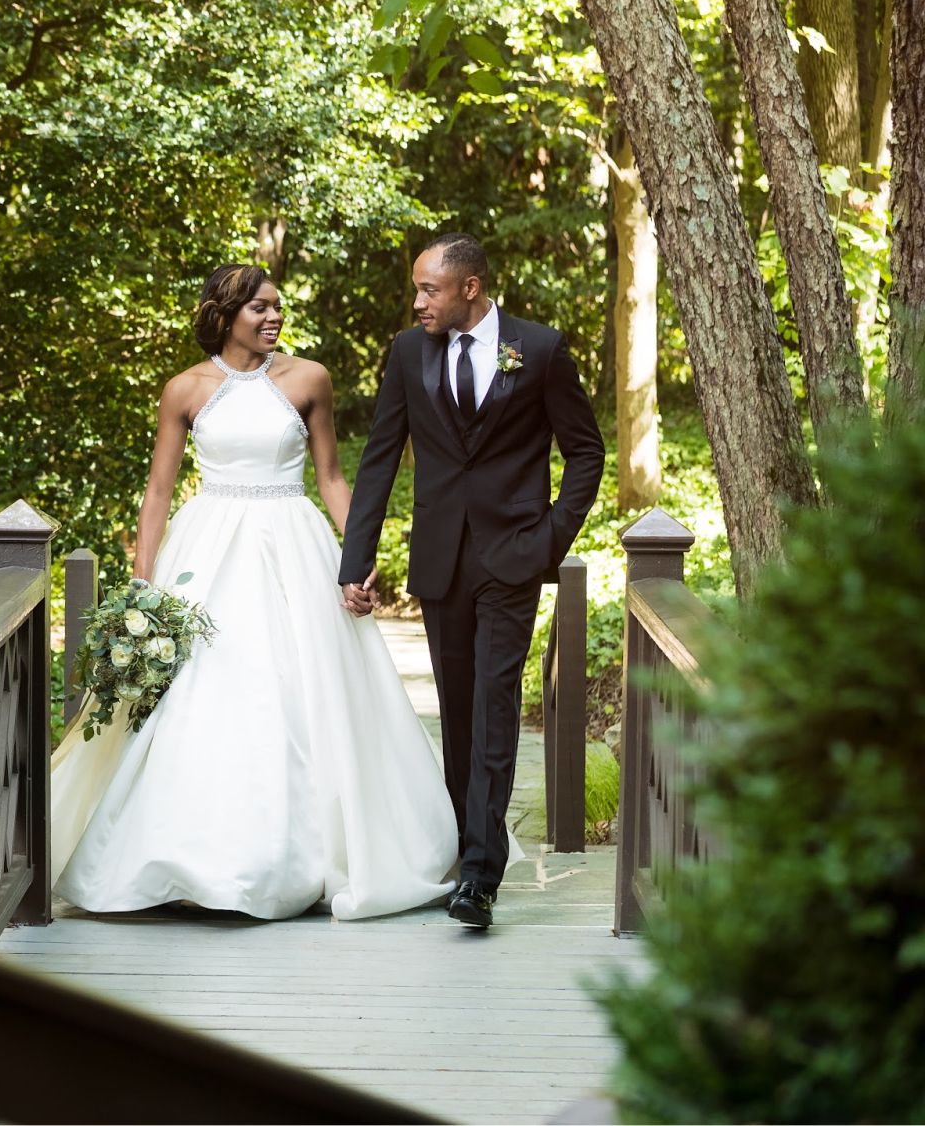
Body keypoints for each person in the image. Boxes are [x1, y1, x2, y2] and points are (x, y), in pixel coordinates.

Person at [50, 263, 458, 921]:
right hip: (205, 547)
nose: (273, 318)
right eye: (259, 309)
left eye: (277, 308)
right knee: (199, 695)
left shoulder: (308, 379)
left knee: (301, 689)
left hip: (292, 542)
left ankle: (310, 859)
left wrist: (358, 558)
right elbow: (158, 492)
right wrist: (143, 588)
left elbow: (329, 477)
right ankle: (179, 860)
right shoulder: (185, 389)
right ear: (224, 313)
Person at [339, 234, 603, 930]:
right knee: (458, 713)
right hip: (440, 559)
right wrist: (355, 560)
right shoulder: (407, 353)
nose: (417, 301)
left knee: (494, 703)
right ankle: (466, 848)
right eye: (417, 289)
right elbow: (379, 458)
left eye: (429, 289)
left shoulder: (540, 350)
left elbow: (585, 452)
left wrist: (550, 537)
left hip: (513, 556)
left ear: (472, 288)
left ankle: (481, 879)